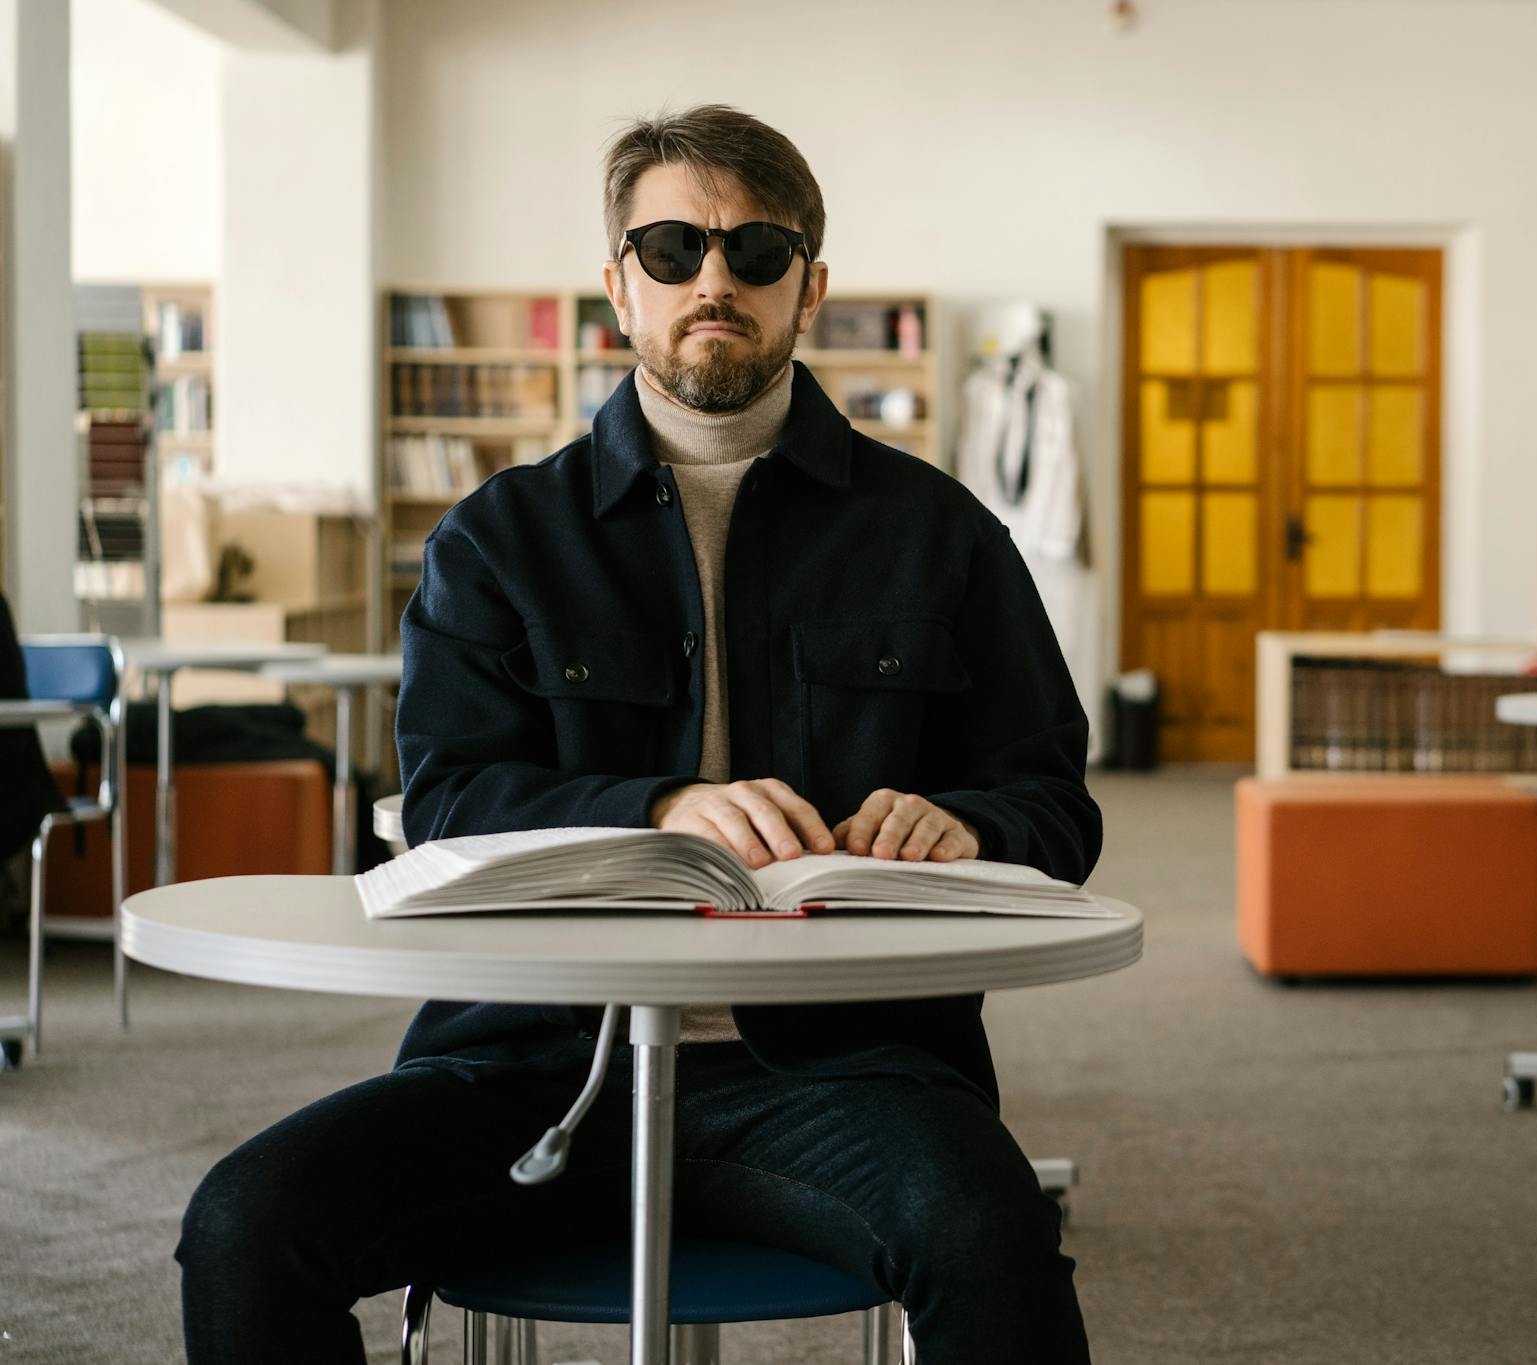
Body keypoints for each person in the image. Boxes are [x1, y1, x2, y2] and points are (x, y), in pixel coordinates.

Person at [175, 104, 1100, 1364]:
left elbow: (1055, 803)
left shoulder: (942, 538)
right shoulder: (496, 540)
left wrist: (973, 820)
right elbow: (445, 804)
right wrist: (655, 806)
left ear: (808, 288)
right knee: (242, 1224)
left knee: (991, 1235)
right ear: (618, 286)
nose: (712, 278)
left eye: (754, 251)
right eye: (669, 249)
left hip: (841, 1074)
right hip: (529, 1062)